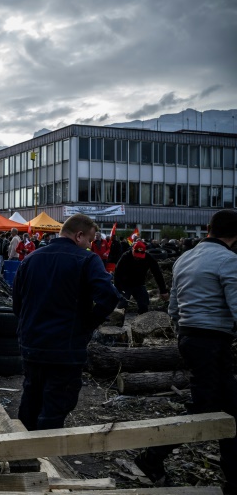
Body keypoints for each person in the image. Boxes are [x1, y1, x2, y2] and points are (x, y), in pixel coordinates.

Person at [134, 210, 237, 493]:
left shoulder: (185, 258)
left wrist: (184, 331)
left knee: (228, 406)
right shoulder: (229, 261)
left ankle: (231, 474)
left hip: (191, 338)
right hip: (213, 341)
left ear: (209, 228)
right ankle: (151, 457)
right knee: (205, 406)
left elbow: (173, 308)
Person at [13, 213, 119, 431]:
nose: (90, 245)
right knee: (56, 404)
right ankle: (46, 456)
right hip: (65, 349)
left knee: (31, 398)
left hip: (32, 344)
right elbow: (109, 296)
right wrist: (90, 323)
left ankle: (23, 453)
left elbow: (17, 303)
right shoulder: (87, 259)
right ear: (79, 235)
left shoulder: (31, 259)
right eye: (90, 241)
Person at [114, 242, 168, 314]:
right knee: (122, 304)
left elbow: (157, 273)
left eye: (140, 255)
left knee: (144, 304)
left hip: (139, 284)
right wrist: (118, 290)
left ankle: (141, 321)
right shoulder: (125, 257)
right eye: (136, 255)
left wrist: (163, 290)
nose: (138, 257)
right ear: (133, 250)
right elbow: (117, 274)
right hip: (125, 284)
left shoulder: (148, 258)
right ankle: (118, 319)